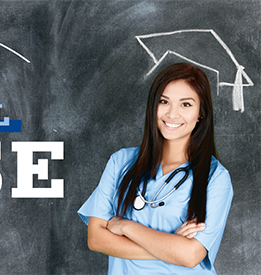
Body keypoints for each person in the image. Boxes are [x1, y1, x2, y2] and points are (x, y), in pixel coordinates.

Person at [77, 63, 233, 274]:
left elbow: (190, 256)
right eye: (164, 101)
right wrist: (170, 247)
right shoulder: (120, 162)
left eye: (185, 105)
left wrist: (125, 227)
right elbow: (96, 239)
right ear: (153, 106)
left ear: (200, 114)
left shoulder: (215, 178)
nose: (172, 114)